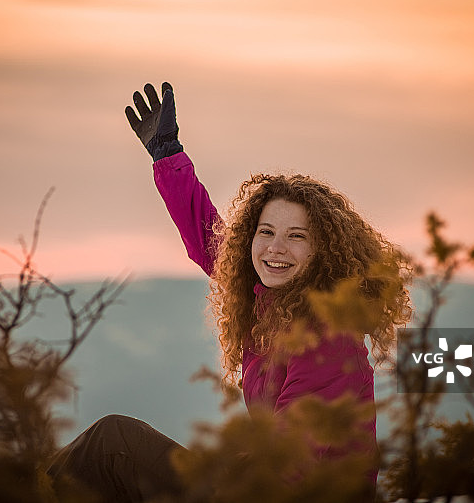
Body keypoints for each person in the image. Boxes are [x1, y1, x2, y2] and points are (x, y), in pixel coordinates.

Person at [47, 82, 411, 502]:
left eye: (296, 237)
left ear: (322, 254)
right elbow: (211, 241)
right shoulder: (272, 301)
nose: (276, 248)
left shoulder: (325, 340)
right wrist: (167, 155)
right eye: (266, 232)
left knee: (113, 444)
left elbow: (290, 468)